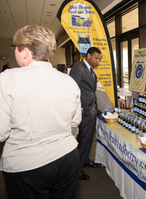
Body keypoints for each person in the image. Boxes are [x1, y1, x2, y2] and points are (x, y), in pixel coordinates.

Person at [0, 25, 81, 198]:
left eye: (15, 48)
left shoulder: (7, 79)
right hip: (68, 157)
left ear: (25, 52)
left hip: (27, 164)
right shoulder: (69, 81)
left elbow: (1, 131)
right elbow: (75, 122)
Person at [69, 47, 103, 180]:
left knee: (89, 138)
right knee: (83, 139)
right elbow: (72, 89)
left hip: (92, 109)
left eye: (99, 59)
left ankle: (86, 160)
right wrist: (79, 107)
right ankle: (76, 168)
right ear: (88, 55)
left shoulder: (89, 69)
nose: (97, 61)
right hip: (84, 110)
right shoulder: (79, 68)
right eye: (96, 58)